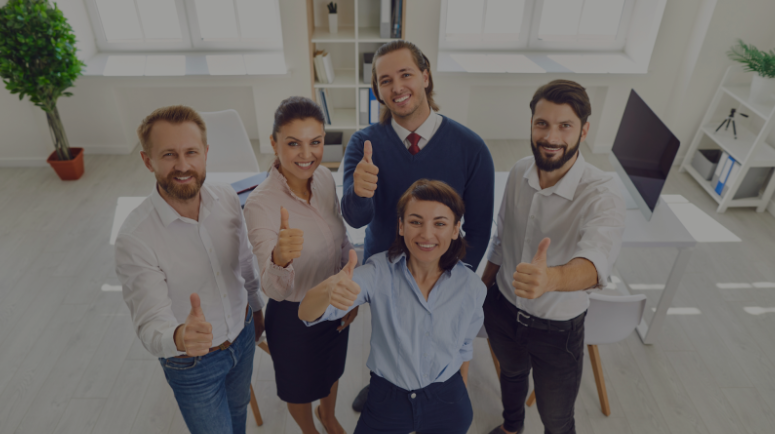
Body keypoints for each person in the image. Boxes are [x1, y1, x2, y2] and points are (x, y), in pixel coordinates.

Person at [342, 39, 494, 410]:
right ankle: (385, 387)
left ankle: (442, 396)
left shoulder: (470, 147)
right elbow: (355, 218)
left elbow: (478, 228)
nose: (397, 87)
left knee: (442, 341)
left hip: (445, 271)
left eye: (406, 74)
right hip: (387, 272)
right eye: (385, 80)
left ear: (426, 77)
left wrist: (454, 279)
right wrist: (360, 192)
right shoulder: (364, 144)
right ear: (377, 91)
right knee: (388, 341)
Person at [481, 80, 627, 434]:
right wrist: (482, 291)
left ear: (584, 130)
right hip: (502, 309)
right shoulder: (518, 171)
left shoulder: (603, 193)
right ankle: (512, 426)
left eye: (565, 126)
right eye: (542, 123)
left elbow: (595, 266)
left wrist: (551, 279)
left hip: (557, 331)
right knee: (511, 376)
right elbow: (502, 238)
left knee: (557, 419)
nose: (551, 136)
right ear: (531, 125)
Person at [115, 105, 265, 434]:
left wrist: (255, 309)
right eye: (169, 155)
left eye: (191, 152)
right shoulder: (135, 238)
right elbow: (150, 323)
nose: (183, 166)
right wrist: (181, 335)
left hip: (242, 336)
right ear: (148, 160)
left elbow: (243, 265)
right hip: (192, 363)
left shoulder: (226, 198)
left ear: (206, 154)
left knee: (238, 412)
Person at [300, 179, 486, 434]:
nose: (427, 234)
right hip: (387, 397)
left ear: (455, 229)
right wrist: (328, 289)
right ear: (401, 225)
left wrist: (459, 390)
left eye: (440, 223)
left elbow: (464, 347)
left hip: (447, 397)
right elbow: (306, 313)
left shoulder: (472, 288)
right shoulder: (378, 272)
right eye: (415, 221)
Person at [243, 97, 354, 434]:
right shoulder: (260, 206)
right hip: (293, 317)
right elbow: (273, 288)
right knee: (299, 387)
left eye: (315, 142)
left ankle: (329, 416)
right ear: (275, 143)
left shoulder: (322, 177)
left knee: (333, 370)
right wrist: (280, 258)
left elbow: (340, 234)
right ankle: (310, 429)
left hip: (333, 302)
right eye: (293, 143)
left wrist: (348, 289)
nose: (307, 155)